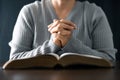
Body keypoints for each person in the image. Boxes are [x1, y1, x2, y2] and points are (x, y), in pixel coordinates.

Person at [9, 0, 117, 62]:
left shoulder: (95, 12)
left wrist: (70, 43)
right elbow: (14, 59)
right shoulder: (29, 12)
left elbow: (110, 59)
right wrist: (52, 45)